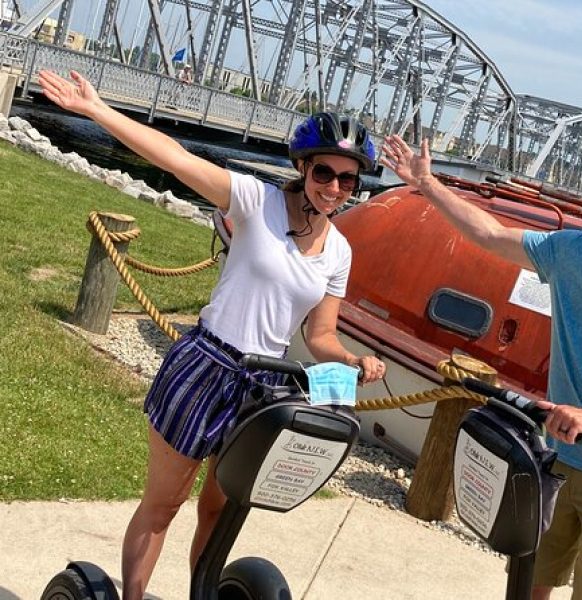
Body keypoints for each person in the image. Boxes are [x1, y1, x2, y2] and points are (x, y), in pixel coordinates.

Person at [38, 68, 386, 600]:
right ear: (302, 166)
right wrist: (98, 110)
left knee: (219, 511)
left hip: (261, 388)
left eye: (348, 179)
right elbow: (175, 158)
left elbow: (321, 336)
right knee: (163, 504)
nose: (334, 188)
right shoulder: (255, 201)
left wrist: (352, 359)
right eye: (324, 173)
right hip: (207, 365)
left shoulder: (340, 251)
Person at [381, 126, 582, 600]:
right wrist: (428, 184)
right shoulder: (572, 252)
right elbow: (489, 233)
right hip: (559, 457)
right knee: (528, 581)